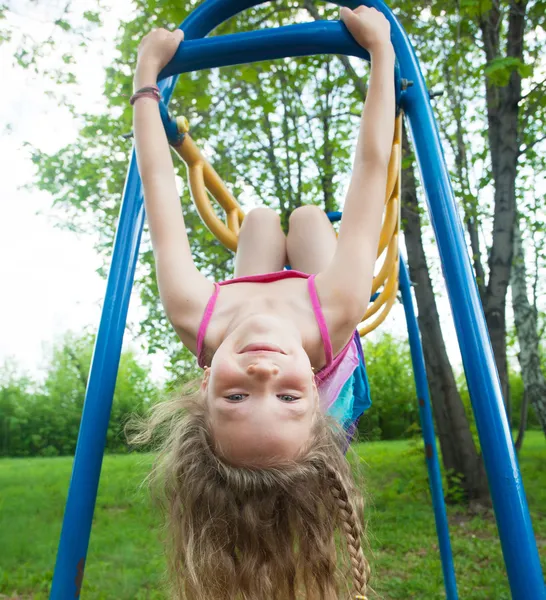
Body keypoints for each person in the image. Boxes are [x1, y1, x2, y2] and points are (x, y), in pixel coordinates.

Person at [131, 6, 395, 599]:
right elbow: (372, 169)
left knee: (259, 222)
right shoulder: (338, 303)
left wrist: (146, 80)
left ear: (203, 387)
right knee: (306, 221)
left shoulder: (195, 315)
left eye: (236, 394)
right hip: (327, 348)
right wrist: (381, 55)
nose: (262, 369)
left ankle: (266, 392)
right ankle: (300, 397)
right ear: (307, 392)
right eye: (285, 393)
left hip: (248, 311)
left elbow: (157, 186)